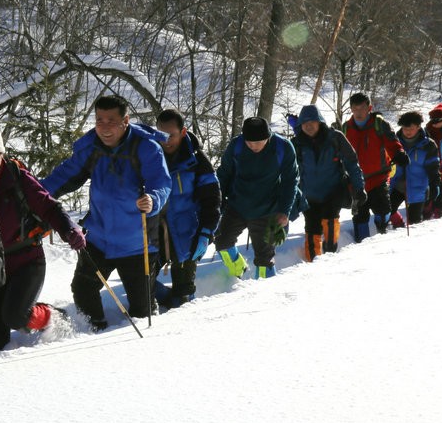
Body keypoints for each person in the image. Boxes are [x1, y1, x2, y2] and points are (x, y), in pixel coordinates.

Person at [0, 119, 86, 350]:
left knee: (15, 316)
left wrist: (69, 229)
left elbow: (48, 206)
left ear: (1, 153)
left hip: (27, 260)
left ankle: (51, 316)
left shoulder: (17, 177)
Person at [41, 95, 171, 330]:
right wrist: (33, 194)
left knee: (142, 311)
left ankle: (145, 336)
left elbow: (161, 183)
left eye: (111, 120)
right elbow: (63, 177)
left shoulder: (146, 148)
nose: (104, 127)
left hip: (137, 242)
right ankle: (95, 327)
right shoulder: (92, 148)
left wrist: (152, 199)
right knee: (83, 288)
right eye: (99, 120)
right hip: (100, 238)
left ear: (126, 121)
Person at [213, 116, 303, 279]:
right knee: (222, 242)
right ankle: (237, 274)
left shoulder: (282, 147)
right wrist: (216, 203)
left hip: (268, 209)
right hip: (237, 205)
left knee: (264, 258)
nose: (253, 146)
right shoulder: (237, 145)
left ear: (268, 137)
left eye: (258, 142)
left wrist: (284, 211)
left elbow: (290, 181)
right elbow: (223, 174)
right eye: (249, 142)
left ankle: (263, 295)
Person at [151, 108, 221, 309]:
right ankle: (165, 299)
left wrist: (207, 232)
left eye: (171, 135)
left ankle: (180, 311)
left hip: (188, 234)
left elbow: (212, 199)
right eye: (161, 134)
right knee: (141, 281)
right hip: (156, 233)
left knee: (183, 300)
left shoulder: (197, 160)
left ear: (183, 132)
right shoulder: (150, 157)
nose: (165, 140)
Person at [292, 104, 365, 261]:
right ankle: (312, 263)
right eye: (305, 123)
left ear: (320, 122)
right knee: (312, 230)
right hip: (309, 196)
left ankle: (330, 258)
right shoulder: (296, 143)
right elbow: (287, 172)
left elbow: (352, 163)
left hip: (333, 191)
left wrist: (359, 188)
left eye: (312, 122)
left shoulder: (335, 138)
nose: (309, 126)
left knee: (330, 222)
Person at [342, 92, 406, 240]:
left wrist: (398, 154)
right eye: (355, 108)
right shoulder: (346, 128)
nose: (358, 112)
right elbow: (340, 152)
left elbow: (392, 143)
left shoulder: (379, 124)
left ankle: (382, 235)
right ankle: (361, 243)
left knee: (383, 210)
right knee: (360, 215)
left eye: (362, 108)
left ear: (369, 108)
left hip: (379, 177)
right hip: (357, 181)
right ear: (351, 109)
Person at [388, 111, 442, 227]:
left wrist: (434, 185)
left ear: (418, 127)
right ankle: (399, 226)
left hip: (418, 187)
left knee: (414, 221)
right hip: (397, 185)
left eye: (411, 128)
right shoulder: (394, 143)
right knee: (388, 210)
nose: (408, 132)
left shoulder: (428, 145)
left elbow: (433, 167)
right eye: (405, 128)